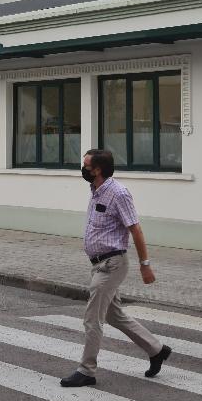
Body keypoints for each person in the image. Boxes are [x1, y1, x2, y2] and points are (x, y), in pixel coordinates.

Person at [60, 149, 171, 388]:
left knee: (92, 318)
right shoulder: (96, 190)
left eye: (86, 165)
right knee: (114, 315)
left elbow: (136, 229)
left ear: (97, 170)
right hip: (98, 264)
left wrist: (145, 265)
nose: (83, 169)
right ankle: (156, 350)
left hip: (112, 265)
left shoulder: (118, 194)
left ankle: (87, 370)